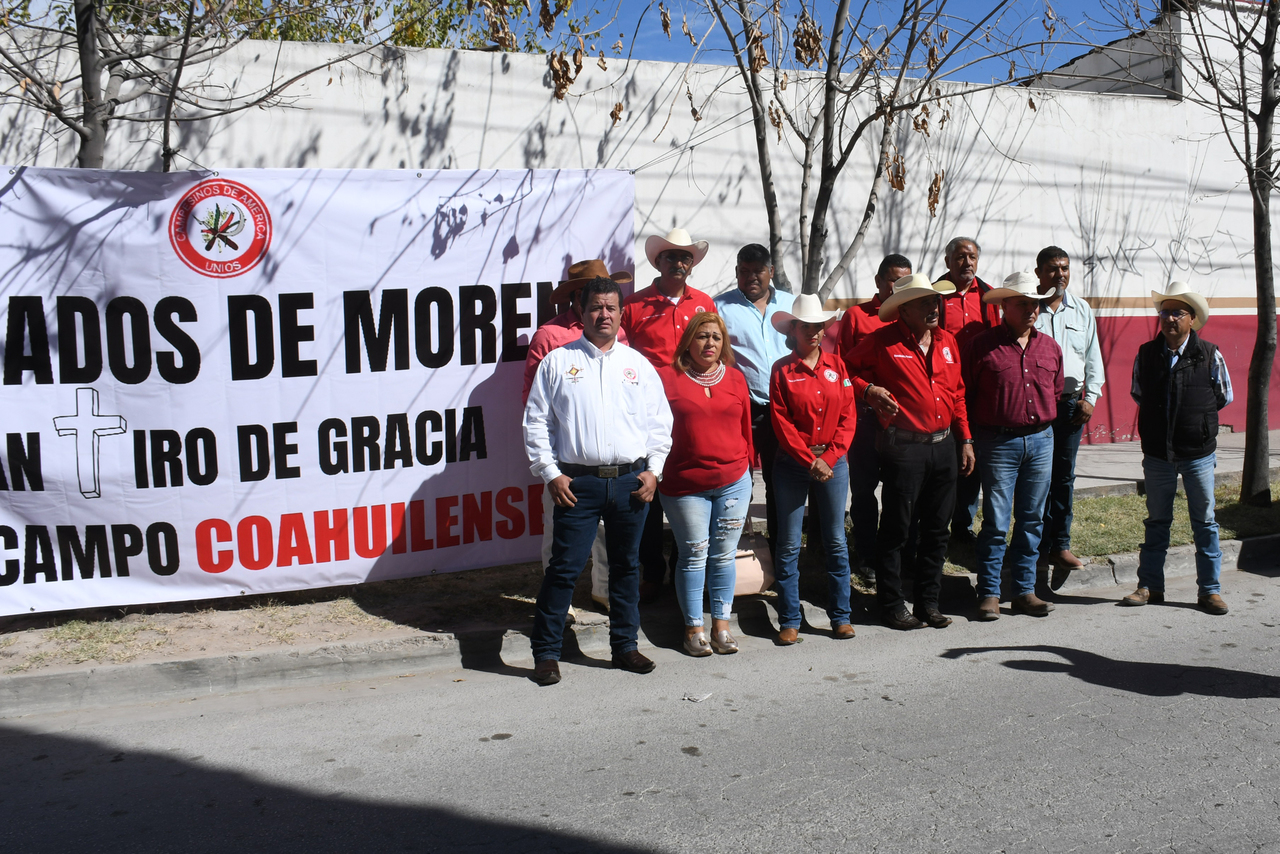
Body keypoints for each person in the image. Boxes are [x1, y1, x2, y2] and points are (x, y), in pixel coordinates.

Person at [523, 277, 673, 686]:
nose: (603, 315)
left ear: (621, 313)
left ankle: (625, 647)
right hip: (578, 485)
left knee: (626, 568)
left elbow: (660, 423)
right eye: (595, 308)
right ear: (581, 312)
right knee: (564, 570)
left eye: (610, 308)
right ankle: (547, 654)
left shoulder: (637, 365)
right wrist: (550, 473)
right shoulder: (558, 361)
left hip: (629, 484)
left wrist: (653, 471)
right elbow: (536, 423)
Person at [847, 273, 975, 630]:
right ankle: (891, 604)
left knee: (937, 530)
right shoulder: (881, 342)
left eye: (935, 301)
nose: (933, 308)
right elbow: (846, 371)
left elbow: (958, 394)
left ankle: (928, 603)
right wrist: (870, 389)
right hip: (904, 449)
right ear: (903, 310)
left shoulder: (947, 342)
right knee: (897, 529)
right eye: (924, 302)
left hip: (944, 446)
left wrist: (965, 439)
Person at [522, 259, 633, 610]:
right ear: (578, 297)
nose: (603, 310)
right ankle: (560, 602)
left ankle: (603, 589)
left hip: (610, 450)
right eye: (593, 299)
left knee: (606, 530)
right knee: (559, 530)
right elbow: (533, 402)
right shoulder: (550, 336)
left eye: (607, 302)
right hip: (565, 453)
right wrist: (550, 463)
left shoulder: (619, 334)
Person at [1122, 282, 1232, 615]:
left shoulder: (1209, 353)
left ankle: (1209, 591)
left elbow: (1224, 396)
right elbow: (1138, 391)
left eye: (1177, 313)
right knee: (1157, 522)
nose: (1169, 318)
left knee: (1205, 522)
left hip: (1197, 453)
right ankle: (1150, 586)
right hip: (1157, 455)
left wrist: (1196, 422)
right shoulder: (1147, 354)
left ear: (1192, 319)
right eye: (1165, 312)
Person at [622, 228, 718, 603]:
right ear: (657, 262)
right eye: (671, 257)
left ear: (691, 265)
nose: (679, 263)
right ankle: (651, 571)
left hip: (692, 413)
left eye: (685, 258)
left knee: (688, 492)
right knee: (648, 494)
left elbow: (713, 352)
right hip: (646, 414)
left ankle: (683, 564)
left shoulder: (704, 303)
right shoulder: (633, 306)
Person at [963, 272, 1063, 621]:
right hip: (997, 442)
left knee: (1032, 519)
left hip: (1041, 440)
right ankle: (989, 591)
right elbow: (967, 394)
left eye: (1034, 303)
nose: (1031, 309)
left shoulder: (1050, 347)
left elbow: (1057, 390)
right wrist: (971, 440)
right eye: (1022, 303)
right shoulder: (982, 346)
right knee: (996, 520)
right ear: (1004, 305)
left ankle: (1024, 590)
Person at [658, 313, 754, 656]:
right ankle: (693, 628)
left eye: (716, 337)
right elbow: (655, 431)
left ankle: (722, 625)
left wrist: (750, 474)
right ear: (689, 341)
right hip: (685, 485)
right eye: (702, 337)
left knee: (724, 555)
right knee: (695, 555)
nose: (709, 343)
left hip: (733, 482)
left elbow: (746, 429)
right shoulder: (667, 379)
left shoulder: (737, 379)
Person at [768, 293, 858, 643]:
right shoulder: (782, 370)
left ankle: (841, 616)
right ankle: (789, 618)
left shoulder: (839, 367)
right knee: (789, 544)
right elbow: (781, 422)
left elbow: (849, 417)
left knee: (836, 540)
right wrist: (811, 460)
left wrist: (829, 457)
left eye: (819, 326)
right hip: (793, 464)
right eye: (807, 326)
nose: (815, 333)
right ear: (795, 329)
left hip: (832, 462)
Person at [713, 244, 794, 558]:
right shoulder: (721, 308)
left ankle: (780, 552)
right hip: (742, 411)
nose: (751, 278)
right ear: (736, 273)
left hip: (785, 409)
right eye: (743, 271)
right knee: (736, 483)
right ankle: (732, 553)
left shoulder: (789, 305)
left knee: (780, 483)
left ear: (770, 272)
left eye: (757, 271)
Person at [1032, 247, 1105, 586]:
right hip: (1036, 408)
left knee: (1063, 478)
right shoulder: (1029, 308)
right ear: (1038, 273)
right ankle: (1034, 547)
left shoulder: (1081, 310)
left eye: (1064, 268)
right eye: (1051, 269)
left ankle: (1059, 545)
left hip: (1070, 406)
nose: (1059, 274)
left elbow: (1093, 357)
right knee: (1035, 481)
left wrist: (1090, 398)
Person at [836, 253, 913, 573]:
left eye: (906, 281)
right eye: (895, 280)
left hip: (904, 420)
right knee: (865, 490)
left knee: (902, 490)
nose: (900, 287)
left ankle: (897, 553)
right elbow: (841, 368)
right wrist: (867, 391)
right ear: (880, 282)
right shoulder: (856, 317)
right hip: (866, 418)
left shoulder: (911, 316)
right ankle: (866, 553)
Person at [936, 236, 1000, 544]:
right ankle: (936, 525)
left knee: (971, 460)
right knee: (943, 461)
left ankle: (963, 526)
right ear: (947, 261)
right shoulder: (934, 294)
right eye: (961, 257)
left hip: (979, 392)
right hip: (941, 391)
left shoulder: (988, 296)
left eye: (972, 257)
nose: (967, 263)